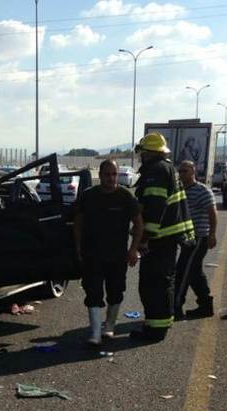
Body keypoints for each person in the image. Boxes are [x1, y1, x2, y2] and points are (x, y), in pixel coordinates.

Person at [131, 132, 195, 342]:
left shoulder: (156, 171)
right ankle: (158, 325)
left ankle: (155, 330)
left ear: (149, 153)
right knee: (161, 282)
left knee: (153, 284)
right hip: (167, 239)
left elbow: (155, 207)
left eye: (142, 153)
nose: (141, 157)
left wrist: (144, 239)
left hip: (160, 239)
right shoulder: (166, 168)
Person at [74, 159, 143, 346]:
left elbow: (138, 224)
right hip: (92, 255)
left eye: (114, 174)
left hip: (118, 256)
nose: (111, 178)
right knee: (93, 293)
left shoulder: (126, 197)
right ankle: (95, 333)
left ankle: (109, 326)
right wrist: (78, 248)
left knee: (115, 292)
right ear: (100, 175)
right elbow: (78, 223)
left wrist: (133, 249)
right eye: (107, 174)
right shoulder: (88, 196)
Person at [174, 160, 217, 319]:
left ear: (193, 172)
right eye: (180, 171)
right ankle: (205, 305)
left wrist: (212, 234)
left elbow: (212, 213)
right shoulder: (180, 190)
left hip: (199, 237)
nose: (182, 174)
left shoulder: (202, 191)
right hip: (187, 239)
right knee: (194, 273)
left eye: (185, 171)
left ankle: (175, 307)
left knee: (183, 272)